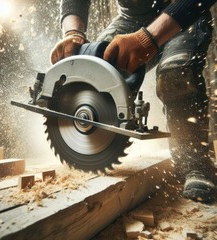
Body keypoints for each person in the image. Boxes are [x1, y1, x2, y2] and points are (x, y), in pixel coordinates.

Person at [51, 0, 217, 203]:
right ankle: (91, 143)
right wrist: (72, 33)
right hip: (133, 18)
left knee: (176, 75)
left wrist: (148, 39)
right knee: (96, 66)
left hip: (185, 15)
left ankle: (195, 165)